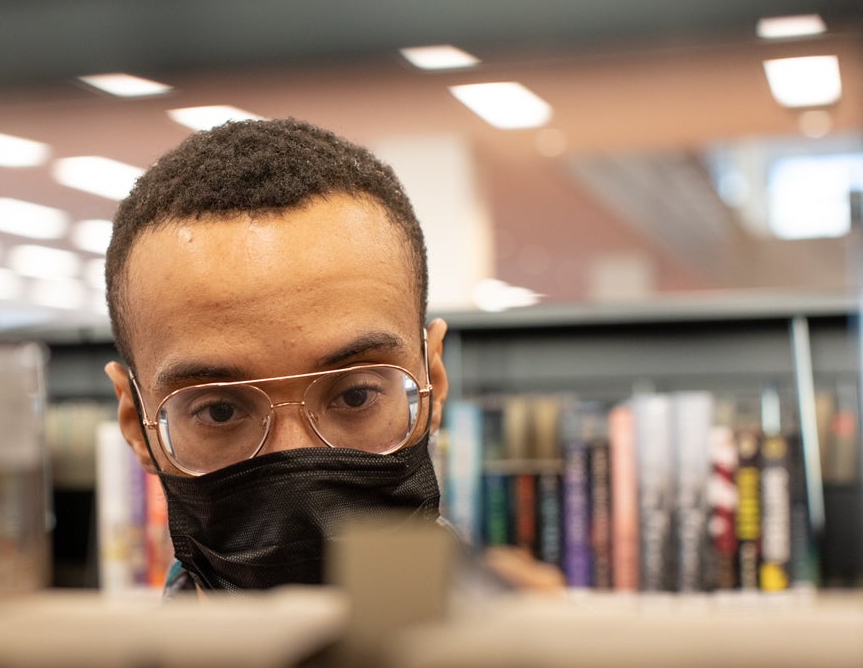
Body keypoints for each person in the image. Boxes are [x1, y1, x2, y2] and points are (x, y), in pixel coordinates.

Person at [103, 118, 558, 594]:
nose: (297, 459)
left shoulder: (544, 652)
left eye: (356, 395)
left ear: (433, 383)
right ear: (137, 424)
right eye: (220, 411)